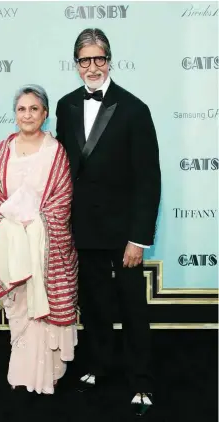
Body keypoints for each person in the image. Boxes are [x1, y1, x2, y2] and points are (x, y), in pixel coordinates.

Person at [56, 29, 161, 416]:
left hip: (123, 232)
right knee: (96, 304)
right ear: (76, 63)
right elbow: (64, 170)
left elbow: (149, 179)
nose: (93, 66)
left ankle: (142, 380)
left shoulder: (134, 108)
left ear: (110, 59)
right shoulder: (66, 106)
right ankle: (98, 366)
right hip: (83, 229)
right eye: (85, 59)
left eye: (99, 58)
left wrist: (138, 238)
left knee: (132, 305)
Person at [0, 84, 78, 395]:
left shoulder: (56, 152)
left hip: (45, 248)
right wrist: (13, 227)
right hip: (12, 246)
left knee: (45, 307)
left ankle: (49, 373)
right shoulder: (0, 152)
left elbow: (61, 199)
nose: (27, 114)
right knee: (21, 309)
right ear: (15, 114)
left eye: (34, 109)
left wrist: (35, 226)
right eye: (22, 109)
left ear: (45, 114)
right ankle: (23, 372)